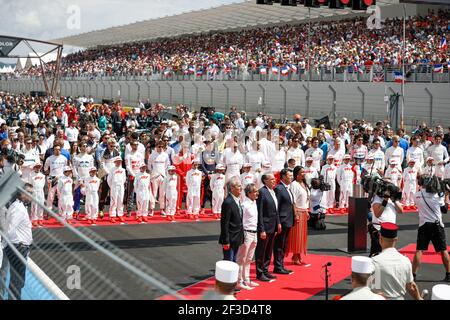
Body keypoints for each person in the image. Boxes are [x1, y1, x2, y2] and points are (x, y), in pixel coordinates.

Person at [412, 175, 450, 282]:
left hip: (424, 225)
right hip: (437, 225)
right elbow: (445, 210)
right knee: (443, 250)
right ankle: (448, 274)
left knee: (419, 250)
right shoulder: (438, 196)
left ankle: (413, 275)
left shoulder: (417, 195)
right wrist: (446, 196)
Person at [371, 223, 422, 300]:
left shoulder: (375, 261)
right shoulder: (405, 261)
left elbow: (371, 286)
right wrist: (419, 298)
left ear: (380, 238)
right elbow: (411, 286)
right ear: (396, 239)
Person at [4, 183, 33, 300]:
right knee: (18, 281)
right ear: (22, 194)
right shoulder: (19, 208)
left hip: (18, 246)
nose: (32, 196)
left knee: (17, 280)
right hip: (18, 247)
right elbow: (10, 229)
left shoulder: (18, 206)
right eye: (29, 193)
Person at [256, 173, 281, 282]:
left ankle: (265, 270)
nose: (274, 180)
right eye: (271, 179)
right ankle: (259, 272)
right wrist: (261, 229)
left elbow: (276, 210)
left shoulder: (273, 191)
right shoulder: (262, 192)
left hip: (273, 225)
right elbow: (260, 212)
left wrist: (278, 223)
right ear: (265, 181)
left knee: (269, 250)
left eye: (274, 179)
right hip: (265, 226)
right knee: (261, 250)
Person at [236, 183, 260, 290]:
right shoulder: (244, 205)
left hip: (254, 232)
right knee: (242, 258)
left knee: (249, 258)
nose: (257, 193)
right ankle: (239, 281)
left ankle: (246, 279)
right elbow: (240, 220)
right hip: (246, 233)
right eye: (255, 191)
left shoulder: (254, 203)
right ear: (249, 193)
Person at [273, 169, 295, 275]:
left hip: (288, 220)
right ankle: (278, 266)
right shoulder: (279, 188)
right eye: (289, 175)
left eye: (291, 175)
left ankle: (281, 265)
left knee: (284, 244)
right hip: (282, 220)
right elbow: (276, 207)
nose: (291, 177)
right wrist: (278, 222)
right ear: (283, 176)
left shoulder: (287, 188)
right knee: (279, 244)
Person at [287, 166, 310, 266]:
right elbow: (293, 201)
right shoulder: (294, 184)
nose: (303, 174)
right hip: (298, 213)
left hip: (304, 212)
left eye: (304, 172)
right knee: (297, 236)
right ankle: (295, 256)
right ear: (296, 174)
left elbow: (306, 199)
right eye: (301, 173)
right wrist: (295, 214)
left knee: (302, 236)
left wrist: (307, 211)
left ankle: (298, 255)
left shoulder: (304, 184)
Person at [219, 176, 244, 262]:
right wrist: (225, 241)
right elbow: (224, 223)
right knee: (229, 261)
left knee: (234, 260)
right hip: (230, 238)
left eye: (241, 186)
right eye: (239, 186)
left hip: (237, 237)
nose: (241, 188)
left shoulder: (237, 200)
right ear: (232, 188)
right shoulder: (228, 202)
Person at [148, 141, 170, 216]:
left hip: (163, 176)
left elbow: (167, 165)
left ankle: (162, 209)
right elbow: (149, 166)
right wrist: (153, 173)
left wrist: (164, 173)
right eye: (159, 146)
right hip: (154, 176)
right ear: (156, 146)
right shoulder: (152, 155)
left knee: (162, 194)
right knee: (153, 194)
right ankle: (151, 209)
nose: (160, 148)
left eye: (162, 146)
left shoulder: (165, 155)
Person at [44, 145, 68, 210]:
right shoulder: (49, 158)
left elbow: (66, 169)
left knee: (61, 195)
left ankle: (62, 210)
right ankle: (49, 210)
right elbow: (45, 168)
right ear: (53, 150)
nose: (57, 151)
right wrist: (49, 177)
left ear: (61, 150)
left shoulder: (64, 158)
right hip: (52, 178)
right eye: (56, 149)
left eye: (59, 149)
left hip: (61, 178)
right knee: (50, 196)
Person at [107, 156, 127, 224]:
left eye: (120, 161)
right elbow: (109, 180)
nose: (118, 162)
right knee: (113, 201)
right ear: (115, 162)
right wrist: (112, 186)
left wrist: (121, 184)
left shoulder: (123, 170)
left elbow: (124, 179)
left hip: (121, 186)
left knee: (120, 200)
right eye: (117, 161)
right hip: (114, 187)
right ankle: (112, 215)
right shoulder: (112, 170)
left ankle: (120, 214)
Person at [29, 162, 45, 227]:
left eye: (39, 167)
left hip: (41, 191)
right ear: (34, 167)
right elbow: (30, 184)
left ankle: (40, 219)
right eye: (37, 167)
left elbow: (43, 184)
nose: (38, 168)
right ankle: (34, 219)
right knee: (34, 206)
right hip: (34, 191)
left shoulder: (42, 175)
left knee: (41, 205)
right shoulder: (31, 175)